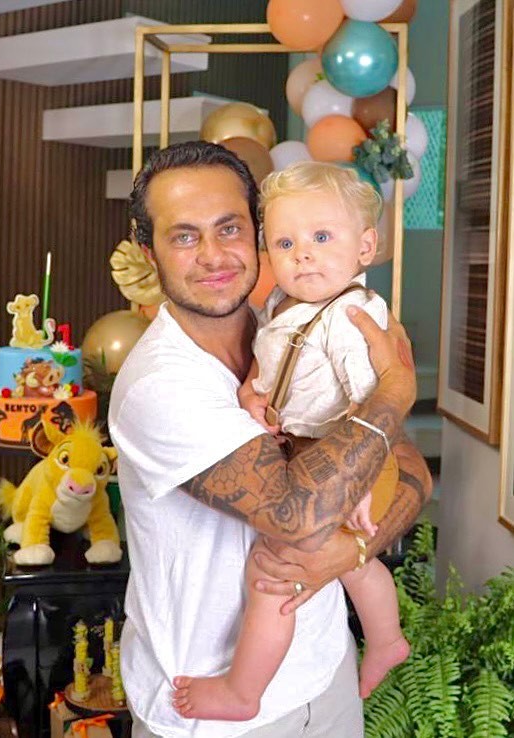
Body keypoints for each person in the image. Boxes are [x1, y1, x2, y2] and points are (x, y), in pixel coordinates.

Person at [109, 141, 432, 738]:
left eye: (229, 228)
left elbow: (411, 467)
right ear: (149, 253)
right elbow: (299, 517)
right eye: (184, 236)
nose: (213, 255)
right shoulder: (160, 385)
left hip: (324, 673)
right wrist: (394, 390)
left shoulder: (288, 323)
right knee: (275, 558)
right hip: (214, 717)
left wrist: (351, 552)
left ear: (254, 235)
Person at [173, 162, 410, 723]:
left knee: (272, 568)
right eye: (285, 243)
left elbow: (373, 403)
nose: (302, 254)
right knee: (352, 563)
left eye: (322, 237)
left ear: (365, 247)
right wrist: (253, 390)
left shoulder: (353, 317)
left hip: (354, 455)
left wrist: (356, 480)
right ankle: (387, 639)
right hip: (312, 447)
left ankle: (243, 691)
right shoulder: (284, 302)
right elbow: (274, 354)